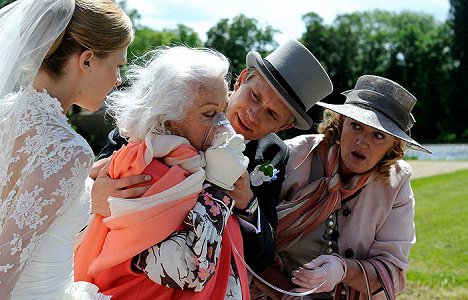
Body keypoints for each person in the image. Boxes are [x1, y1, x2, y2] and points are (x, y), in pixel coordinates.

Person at [92, 39, 334, 274]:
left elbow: (262, 257)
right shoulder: (187, 94)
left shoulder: (272, 153)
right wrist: (94, 193)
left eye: (271, 114)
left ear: (285, 125)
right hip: (123, 262)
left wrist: (247, 203)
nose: (252, 114)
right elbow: (109, 160)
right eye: (255, 96)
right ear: (240, 81)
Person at [74, 46, 252, 299]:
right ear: (169, 121)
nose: (223, 124)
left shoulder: (193, 162)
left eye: (223, 110)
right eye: (210, 114)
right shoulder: (144, 170)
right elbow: (187, 271)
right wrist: (218, 187)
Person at [0, 0, 133, 298]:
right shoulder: (68, 151)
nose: (118, 80)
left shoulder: (5, 112)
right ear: (86, 60)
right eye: (117, 65)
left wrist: (83, 184)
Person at [261, 75, 432, 299]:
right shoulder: (292, 156)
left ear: (393, 145)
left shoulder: (396, 183)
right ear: (341, 123)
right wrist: (286, 294)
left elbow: (392, 273)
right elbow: (250, 238)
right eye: (356, 126)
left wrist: (343, 270)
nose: (362, 142)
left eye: (378, 135)